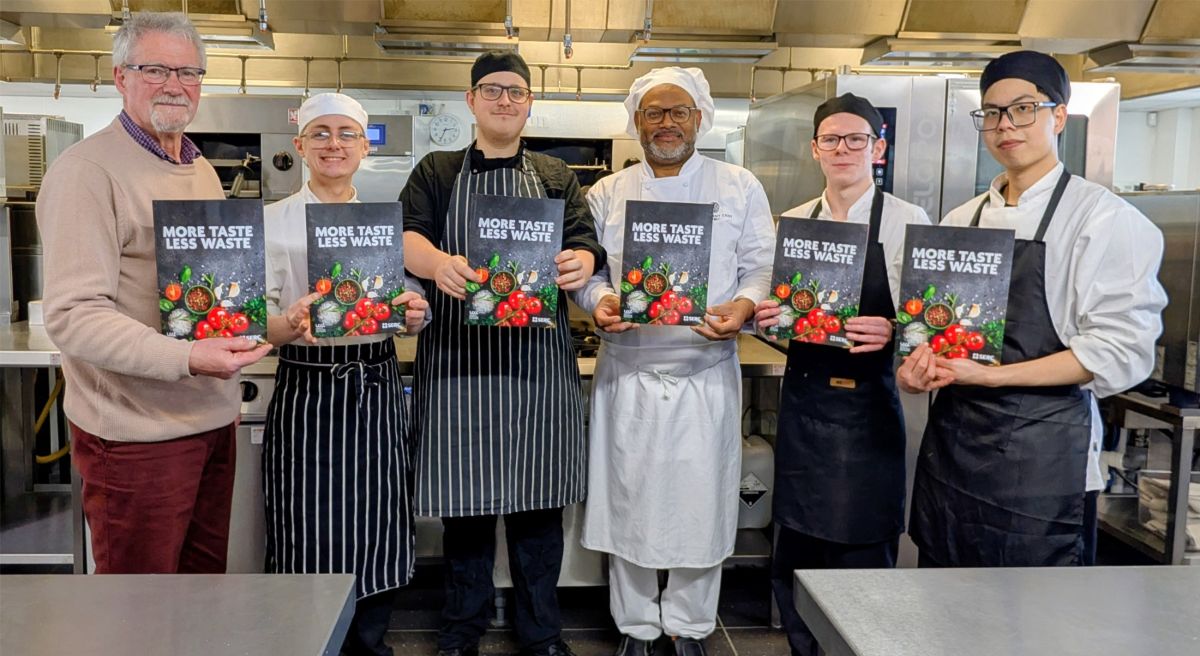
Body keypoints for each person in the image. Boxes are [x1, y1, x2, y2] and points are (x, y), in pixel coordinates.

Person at [901, 50, 1167, 568]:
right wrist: (917, 372)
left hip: (1044, 464)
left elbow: (1119, 353)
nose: (1006, 125)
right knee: (941, 615)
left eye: (1024, 108)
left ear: (1059, 116)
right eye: (993, 113)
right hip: (954, 453)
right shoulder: (964, 217)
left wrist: (992, 378)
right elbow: (940, 335)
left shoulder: (1103, 219)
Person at [35, 11, 271, 574]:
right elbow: (72, 315)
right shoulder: (86, 172)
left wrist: (281, 322)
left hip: (210, 423)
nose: (175, 84)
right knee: (139, 611)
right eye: (156, 69)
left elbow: (208, 302)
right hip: (137, 439)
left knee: (198, 594)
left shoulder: (198, 168)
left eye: (189, 72)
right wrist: (188, 357)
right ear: (121, 77)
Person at [399, 51, 604, 656]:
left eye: (516, 92)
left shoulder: (556, 176)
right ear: (471, 101)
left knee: (539, 514)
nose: (505, 101)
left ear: (529, 102)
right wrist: (437, 264)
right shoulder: (436, 170)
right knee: (465, 514)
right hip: (460, 363)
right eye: (492, 91)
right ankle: (462, 630)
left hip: (537, 366)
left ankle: (540, 632)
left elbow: (584, 242)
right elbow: (409, 235)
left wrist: (581, 262)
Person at [578, 67, 775, 656]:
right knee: (627, 499)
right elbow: (589, 276)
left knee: (701, 503)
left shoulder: (739, 185)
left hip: (705, 369)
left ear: (700, 118)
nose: (667, 123)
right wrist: (600, 303)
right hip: (629, 370)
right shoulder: (607, 192)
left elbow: (760, 269)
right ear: (637, 122)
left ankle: (689, 625)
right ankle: (635, 626)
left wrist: (742, 307)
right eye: (654, 113)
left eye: (679, 112)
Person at [754, 93, 929, 656]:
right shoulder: (796, 222)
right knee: (797, 556)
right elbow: (787, 323)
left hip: (869, 412)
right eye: (831, 139)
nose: (843, 149)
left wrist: (897, 329)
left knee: (862, 558)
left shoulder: (908, 221)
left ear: (877, 148)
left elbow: (933, 326)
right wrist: (769, 321)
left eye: (857, 138)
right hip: (806, 405)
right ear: (815, 149)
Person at [261, 92, 430, 656]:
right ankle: (310, 643)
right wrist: (287, 322)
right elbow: (254, 319)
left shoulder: (388, 225)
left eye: (346, 134)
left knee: (379, 519)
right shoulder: (272, 221)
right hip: (306, 384)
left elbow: (411, 306)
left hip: (375, 383)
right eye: (321, 134)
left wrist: (414, 312)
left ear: (363, 146)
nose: (334, 144)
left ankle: (370, 643)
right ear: (300, 146)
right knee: (305, 523)